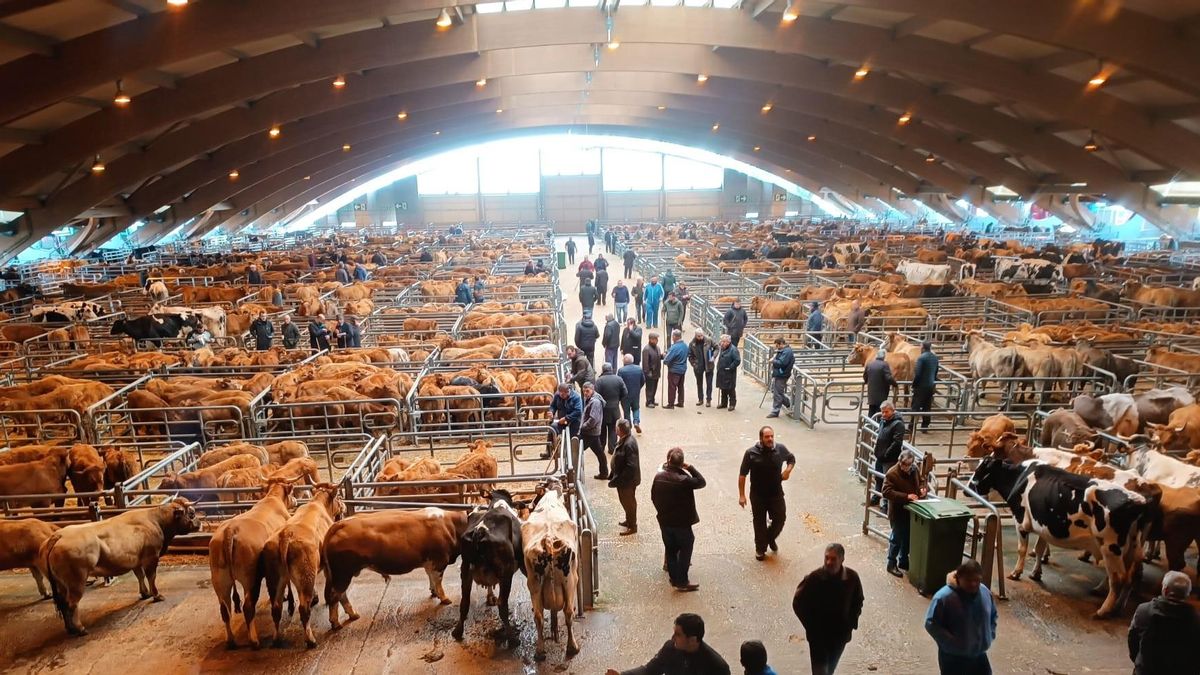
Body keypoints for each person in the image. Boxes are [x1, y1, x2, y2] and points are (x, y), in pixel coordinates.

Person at [793, 543, 865, 675]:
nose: (828, 562)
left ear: (842, 559)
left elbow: (858, 600)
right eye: (826, 558)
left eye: (833, 559)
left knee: (831, 667)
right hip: (818, 638)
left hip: (839, 637)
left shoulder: (852, 578)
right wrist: (810, 626)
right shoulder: (814, 578)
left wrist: (851, 622)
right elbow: (798, 602)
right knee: (820, 671)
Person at [925, 559, 998, 675]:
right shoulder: (944, 598)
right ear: (959, 578)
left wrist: (990, 634)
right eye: (969, 580)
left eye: (977, 580)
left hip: (979, 654)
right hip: (953, 658)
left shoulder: (985, 593)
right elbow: (931, 623)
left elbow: (993, 615)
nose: (973, 584)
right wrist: (950, 642)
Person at [650, 449, 707, 592]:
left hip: (665, 521)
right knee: (685, 549)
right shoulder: (684, 480)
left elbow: (653, 497)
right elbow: (701, 482)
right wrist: (691, 468)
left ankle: (673, 578)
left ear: (668, 461)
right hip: (681, 523)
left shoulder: (659, 477)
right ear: (681, 463)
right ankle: (681, 580)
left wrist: (661, 512)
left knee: (671, 549)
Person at [738, 426, 795, 560]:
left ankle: (769, 538)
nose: (770, 439)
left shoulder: (780, 449)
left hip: (776, 493)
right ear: (761, 438)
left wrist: (788, 470)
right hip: (758, 495)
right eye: (767, 437)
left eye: (772, 436)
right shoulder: (751, 453)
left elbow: (791, 459)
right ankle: (760, 548)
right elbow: (742, 475)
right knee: (759, 522)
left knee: (780, 518)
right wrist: (741, 495)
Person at [607, 613, 729, 675]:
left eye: (678, 634)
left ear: (692, 640)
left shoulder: (717, 667)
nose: (672, 637)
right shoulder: (670, 648)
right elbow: (650, 671)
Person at [1128, 570, 1200, 674]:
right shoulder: (1195, 619)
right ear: (1186, 595)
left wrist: (1140, 662)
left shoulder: (1144, 611)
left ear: (1165, 590)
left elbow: (1132, 640)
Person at [883, 449, 927, 576]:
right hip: (898, 511)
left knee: (908, 537)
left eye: (908, 465)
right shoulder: (892, 473)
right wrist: (906, 496)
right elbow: (886, 492)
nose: (905, 468)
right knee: (896, 538)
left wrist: (922, 489)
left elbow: (921, 480)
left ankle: (903, 560)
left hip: (911, 510)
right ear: (899, 461)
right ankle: (891, 563)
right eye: (903, 464)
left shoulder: (914, 470)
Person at [609, 419, 641, 536]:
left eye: (617, 427)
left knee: (629, 503)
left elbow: (631, 467)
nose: (615, 429)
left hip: (627, 482)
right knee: (625, 501)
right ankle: (629, 520)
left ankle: (632, 526)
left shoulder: (629, 444)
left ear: (619, 430)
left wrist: (620, 478)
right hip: (622, 480)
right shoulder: (624, 440)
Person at [872, 401, 905, 507]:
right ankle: (876, 496)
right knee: (878, 477)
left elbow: (897, 442)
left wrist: (887, 453)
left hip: (889, 458)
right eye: (882, 412)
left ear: (892, 411)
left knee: (888, 481)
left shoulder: (898, 424)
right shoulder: (883, 421)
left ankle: (886, 504)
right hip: (880, 455)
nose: (884, 414)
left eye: (886, 412)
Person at [545, 383, 583, 459]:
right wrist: (551, 412)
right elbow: (553, 406)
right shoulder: (557, 395)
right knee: (552, 429)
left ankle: (572, 456)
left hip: (573, 422)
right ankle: (548, 451)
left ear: (567, 391)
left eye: (564, 394)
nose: (562, 396)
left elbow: (578, 411)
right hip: (561, 421)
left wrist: (567, 418)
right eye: (560, 394)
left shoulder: (576, 397)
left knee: (572, 439)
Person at [595, 363, 627, 454]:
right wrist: (618, 399)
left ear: (603, 370)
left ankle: (601, 447)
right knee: (613, 428)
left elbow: (596, 395)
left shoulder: (599, 381)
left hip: (603, 409)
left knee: (602, 428)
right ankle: (612, 448)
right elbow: (625, 392)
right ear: (611, 369)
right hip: (615, 408)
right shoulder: (618, 379)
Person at [581, 382, 607, 479]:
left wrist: (583, 426)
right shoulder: (590, 399)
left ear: (592, 390)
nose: (585, 393)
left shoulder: (595, 402)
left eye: (587, 391)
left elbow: (593, 419)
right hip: (593, 432)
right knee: (600, 453)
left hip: (590, 432)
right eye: (584, 391)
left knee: (576, 451)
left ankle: (573, 472)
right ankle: (604, 473)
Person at [912, 340, 940, 432]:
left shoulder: (921, 358)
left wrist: (914, 384)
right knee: (927, 407)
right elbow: (936, 371)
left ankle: (912, 425)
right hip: (930, 385)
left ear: (923, 348)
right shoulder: (935, 358)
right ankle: (925, 426)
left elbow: (918, 373)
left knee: (915, 406)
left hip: (920, 386)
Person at [687, 329, 717, 408]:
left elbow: (717, 347)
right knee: (699, 383)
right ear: (695, 336)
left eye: (701, 336)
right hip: (698, 366)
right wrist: (693, 364)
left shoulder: (709, 340)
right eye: (698, 336)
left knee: (709, 383)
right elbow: (690, 355)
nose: (700, 337)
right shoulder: (692, 344)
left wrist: (713, 356)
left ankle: (708, 400)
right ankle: (700, 399)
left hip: (709, 365)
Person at [618, 353, 645, 434]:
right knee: (636, 408)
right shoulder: (639, 369)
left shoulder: (621, 370)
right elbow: (643, 380)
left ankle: (628, 426)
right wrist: (638, 388)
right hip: (635, 393)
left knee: (626, 411)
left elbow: (619, 383)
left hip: (625, 395)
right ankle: (636, 421)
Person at [864, 350, 896, 417]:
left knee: (871, 411)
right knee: (880, 412)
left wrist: (867, 382)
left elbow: (865, 376)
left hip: (871, 392)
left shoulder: (869, 364)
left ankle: (869, 425)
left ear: (876, 356)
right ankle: (878, 426)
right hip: (881, 393)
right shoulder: (884, 364)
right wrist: (895, 384)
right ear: (884, 356)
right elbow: (888, 378)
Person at [767, 337, 794, 418]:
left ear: (781, 344)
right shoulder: (785, 351)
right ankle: (788, 403)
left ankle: (775, 411)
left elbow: (782, 363)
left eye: (777, 345)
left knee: (778, 393)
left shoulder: (787, 352)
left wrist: (773, 361)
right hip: (780, 373)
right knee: (778, 392)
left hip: (782, 374)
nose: (776, 347)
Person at [715, 334, 741, 412]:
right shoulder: (723, 348)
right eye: (721, 341)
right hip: (722, 372)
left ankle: (732, 404)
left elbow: (737, 360)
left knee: (730, 389)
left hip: (729, 372)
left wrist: (730, 367)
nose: (722, 343)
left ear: (728, 342)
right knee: (723, 388)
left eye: (723, 341)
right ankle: (723, 403)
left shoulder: (733, 350)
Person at [663, 329, 688, 409]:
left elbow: (667, 360)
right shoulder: (685, 346)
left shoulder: (674, 347)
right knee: (681, 386)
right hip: (683, 369)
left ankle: (671, 404)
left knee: (672, 387)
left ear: (674, 336)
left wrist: (665, 357)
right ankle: (681, 402)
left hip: (674, 370)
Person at [643, 331, 663, 409]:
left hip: (657, 371)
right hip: (650, 372)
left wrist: (662, 356)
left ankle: (652, 399)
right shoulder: (646, 349)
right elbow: (645, 363)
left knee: (654, 387)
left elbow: (658, 357)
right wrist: (647, 372)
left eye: (657, 339)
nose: (657, 340)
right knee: (649, 388)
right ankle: (649, 401)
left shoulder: (657, 347)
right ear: (651, 339)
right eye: (655, 339)